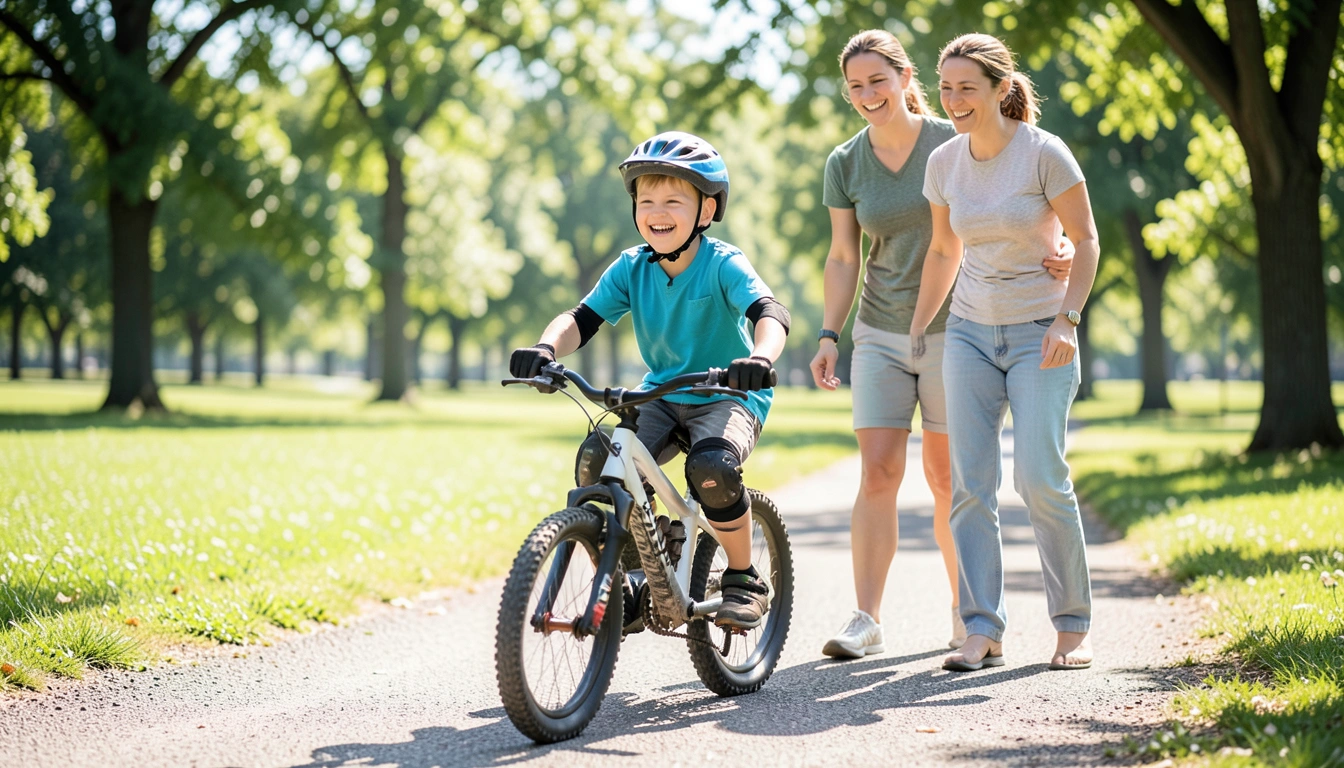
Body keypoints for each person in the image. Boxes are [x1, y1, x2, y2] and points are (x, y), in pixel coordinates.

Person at [811, 30, 1072, 658]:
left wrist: (1057, 246)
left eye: (878, 80)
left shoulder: (953, 136)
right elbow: (844, 255)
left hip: (960, 328)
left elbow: (1014, 198)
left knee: (948, 478)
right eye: (855, 86)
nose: (868, 94)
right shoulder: (845, 163)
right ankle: (865, 618)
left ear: (905, 78)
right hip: (880, 329)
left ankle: (968, 616)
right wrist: (829, 333)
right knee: (877, 470)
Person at [509, 131, 791, 630]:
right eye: (646, 200)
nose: (657, 210)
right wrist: (545, 349)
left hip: (727, 394)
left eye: (673, 201)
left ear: (706, 211)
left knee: (712, 470)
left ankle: (744, 577)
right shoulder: (631, 267)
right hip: (660, 392)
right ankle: (642, 568)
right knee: (598, 459)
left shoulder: (722, 262)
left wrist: (761, 356)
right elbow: (582, 317)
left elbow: (769, 311)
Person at [908, 33, 1101, 672]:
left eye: (968, 87)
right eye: (947, 87)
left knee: (1039, 477)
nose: (955, 99)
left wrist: (1068, 319)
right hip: (967, 331)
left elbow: (1087, 241)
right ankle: (983, 629)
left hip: (1041, 330)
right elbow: (944, 250)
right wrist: (919, 324)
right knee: (969, 484)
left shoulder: (1044, 154)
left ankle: (1072, 625)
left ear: (999, 88)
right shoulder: (944, 163)